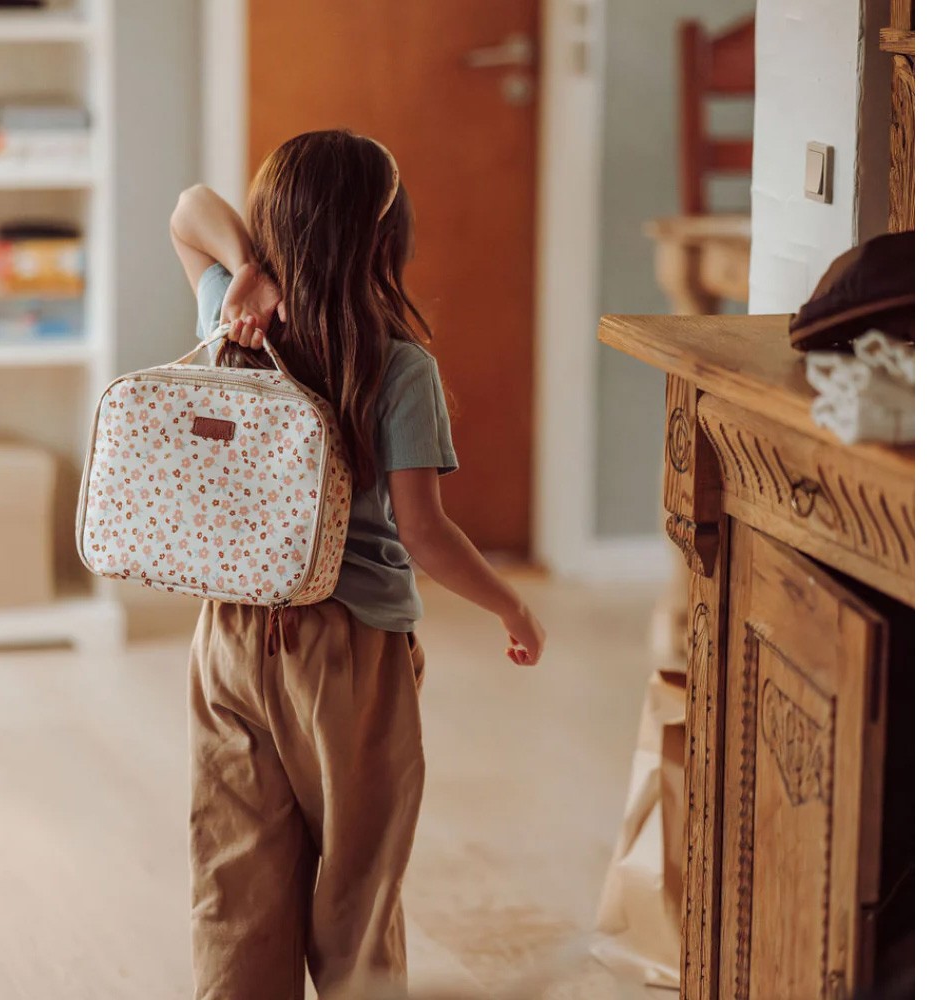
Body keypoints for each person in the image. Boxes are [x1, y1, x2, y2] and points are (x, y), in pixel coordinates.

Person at [169, 128, 546, 1000]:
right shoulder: (398, 366)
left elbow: (189, 211)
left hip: (229, 638)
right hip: (352, 654)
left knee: (235, 882)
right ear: (384, 240)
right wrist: (512, 607)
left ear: (271, 227)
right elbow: (424, 534)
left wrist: (249, 269)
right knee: (358, 891)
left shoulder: (233, 317)